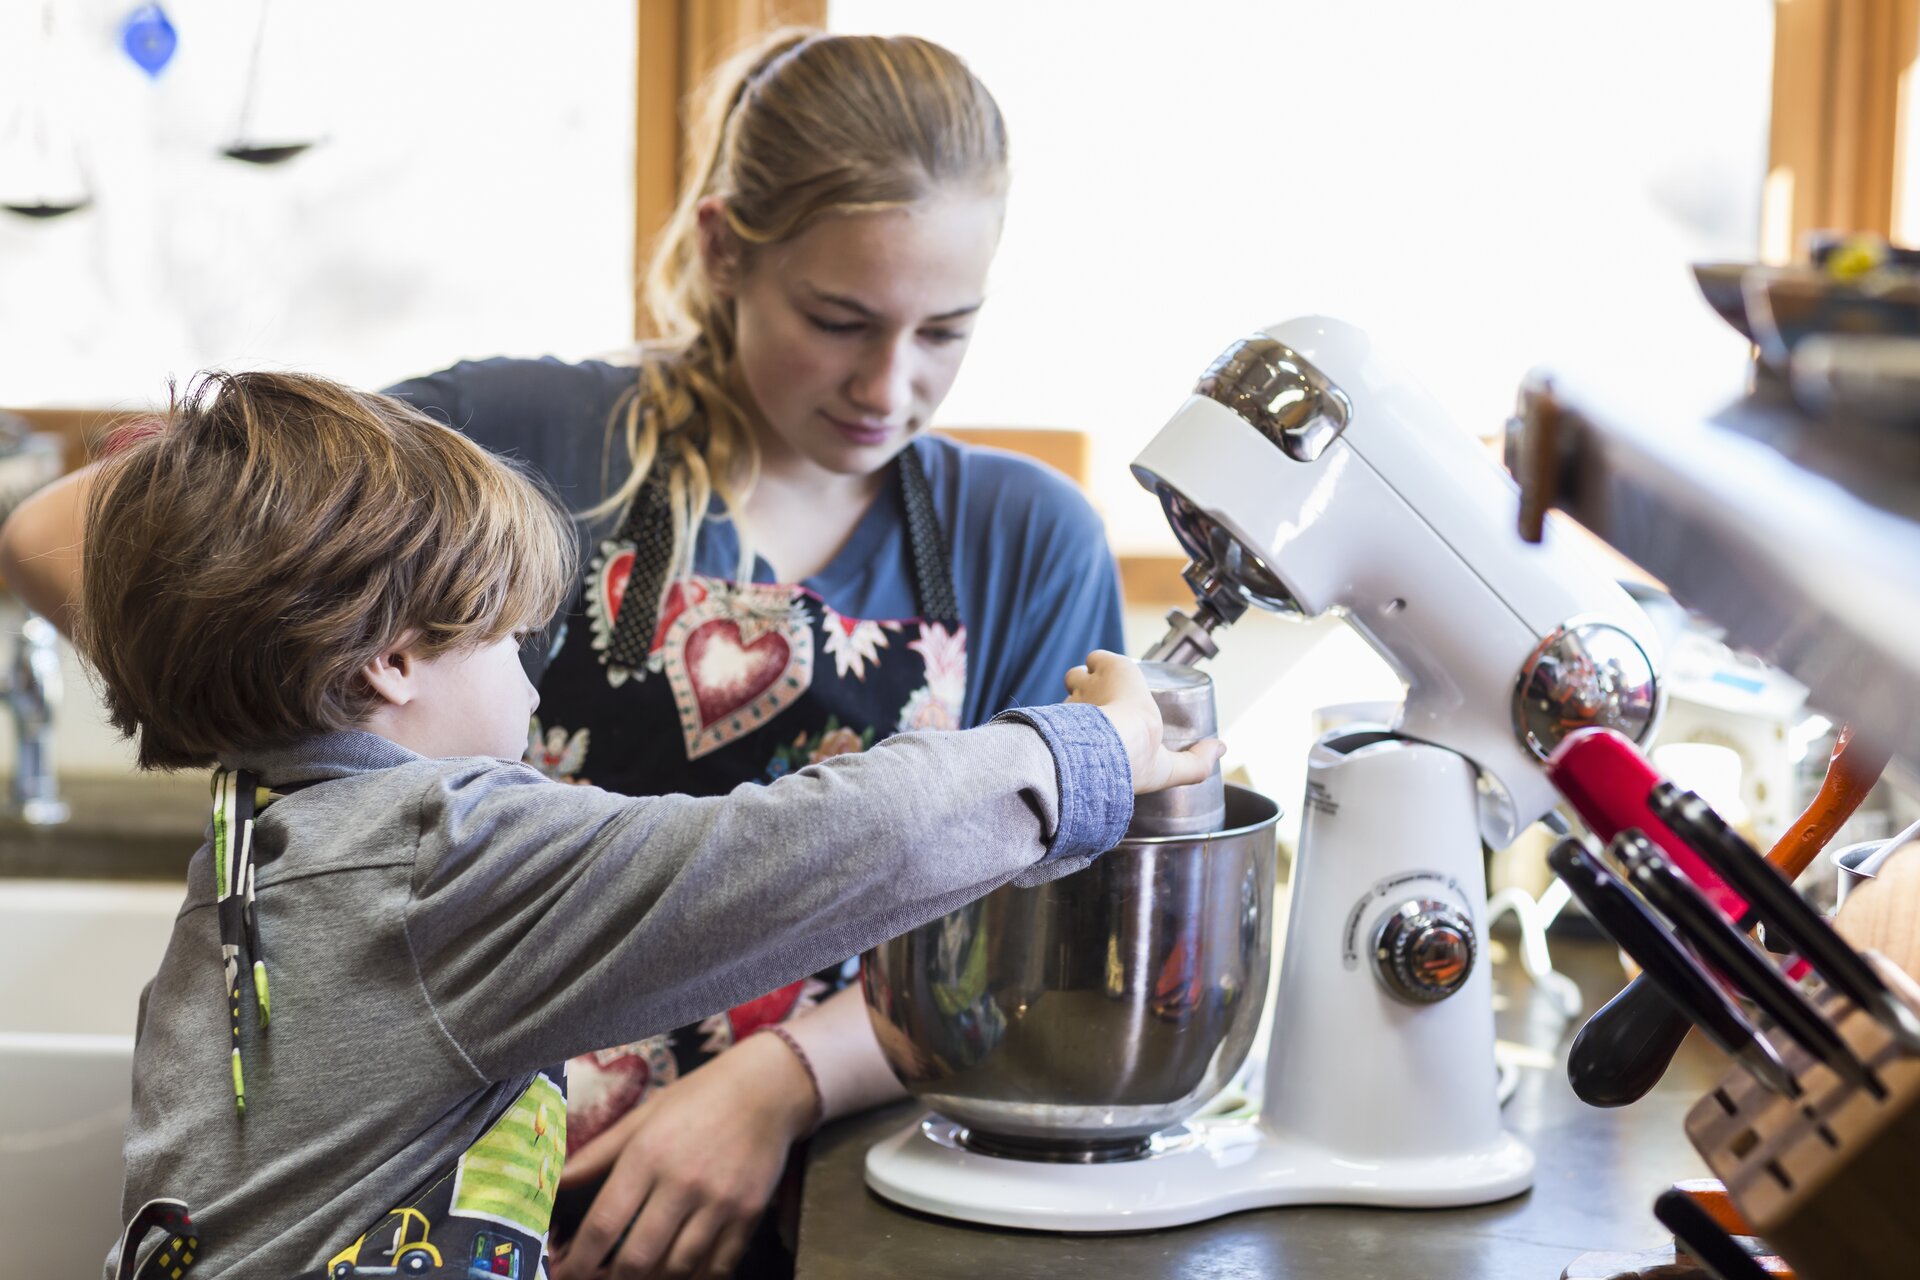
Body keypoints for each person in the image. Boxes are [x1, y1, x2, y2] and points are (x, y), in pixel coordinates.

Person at [0, 28, 1128, 1280]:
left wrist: (785, 1076)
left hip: (829, 1195)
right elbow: (60, 531)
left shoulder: (1029, 536)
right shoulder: (513, 438)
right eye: (838, 319)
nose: (888, 384)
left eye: (946, 332)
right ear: (724, 249)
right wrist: (292, 692)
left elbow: (1024, 928)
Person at [80, 370, 1214, 1280]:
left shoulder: (255, 845)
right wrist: (1094, 748)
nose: (532, 682)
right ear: (389, 660)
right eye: (505, 639)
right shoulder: (438, 858)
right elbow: (827, 845)